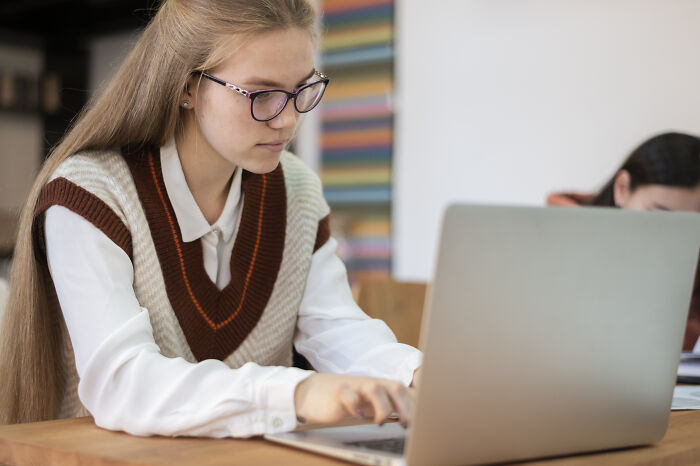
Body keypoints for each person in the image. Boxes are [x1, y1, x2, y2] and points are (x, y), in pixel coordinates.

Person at [0, 0, 422, 437]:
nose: (289, 119)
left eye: (302, 89)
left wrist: (414, 375)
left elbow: (335, 328)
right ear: (186, 87)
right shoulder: (91, 193)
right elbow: (123, 384)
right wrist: (297, 394)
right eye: (263, 94)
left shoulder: (297, 190)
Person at [547, 132, 700, 350]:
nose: (673, 236)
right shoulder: (553, 243)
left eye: (691, 225)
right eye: (658, 216)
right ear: (622, 188)